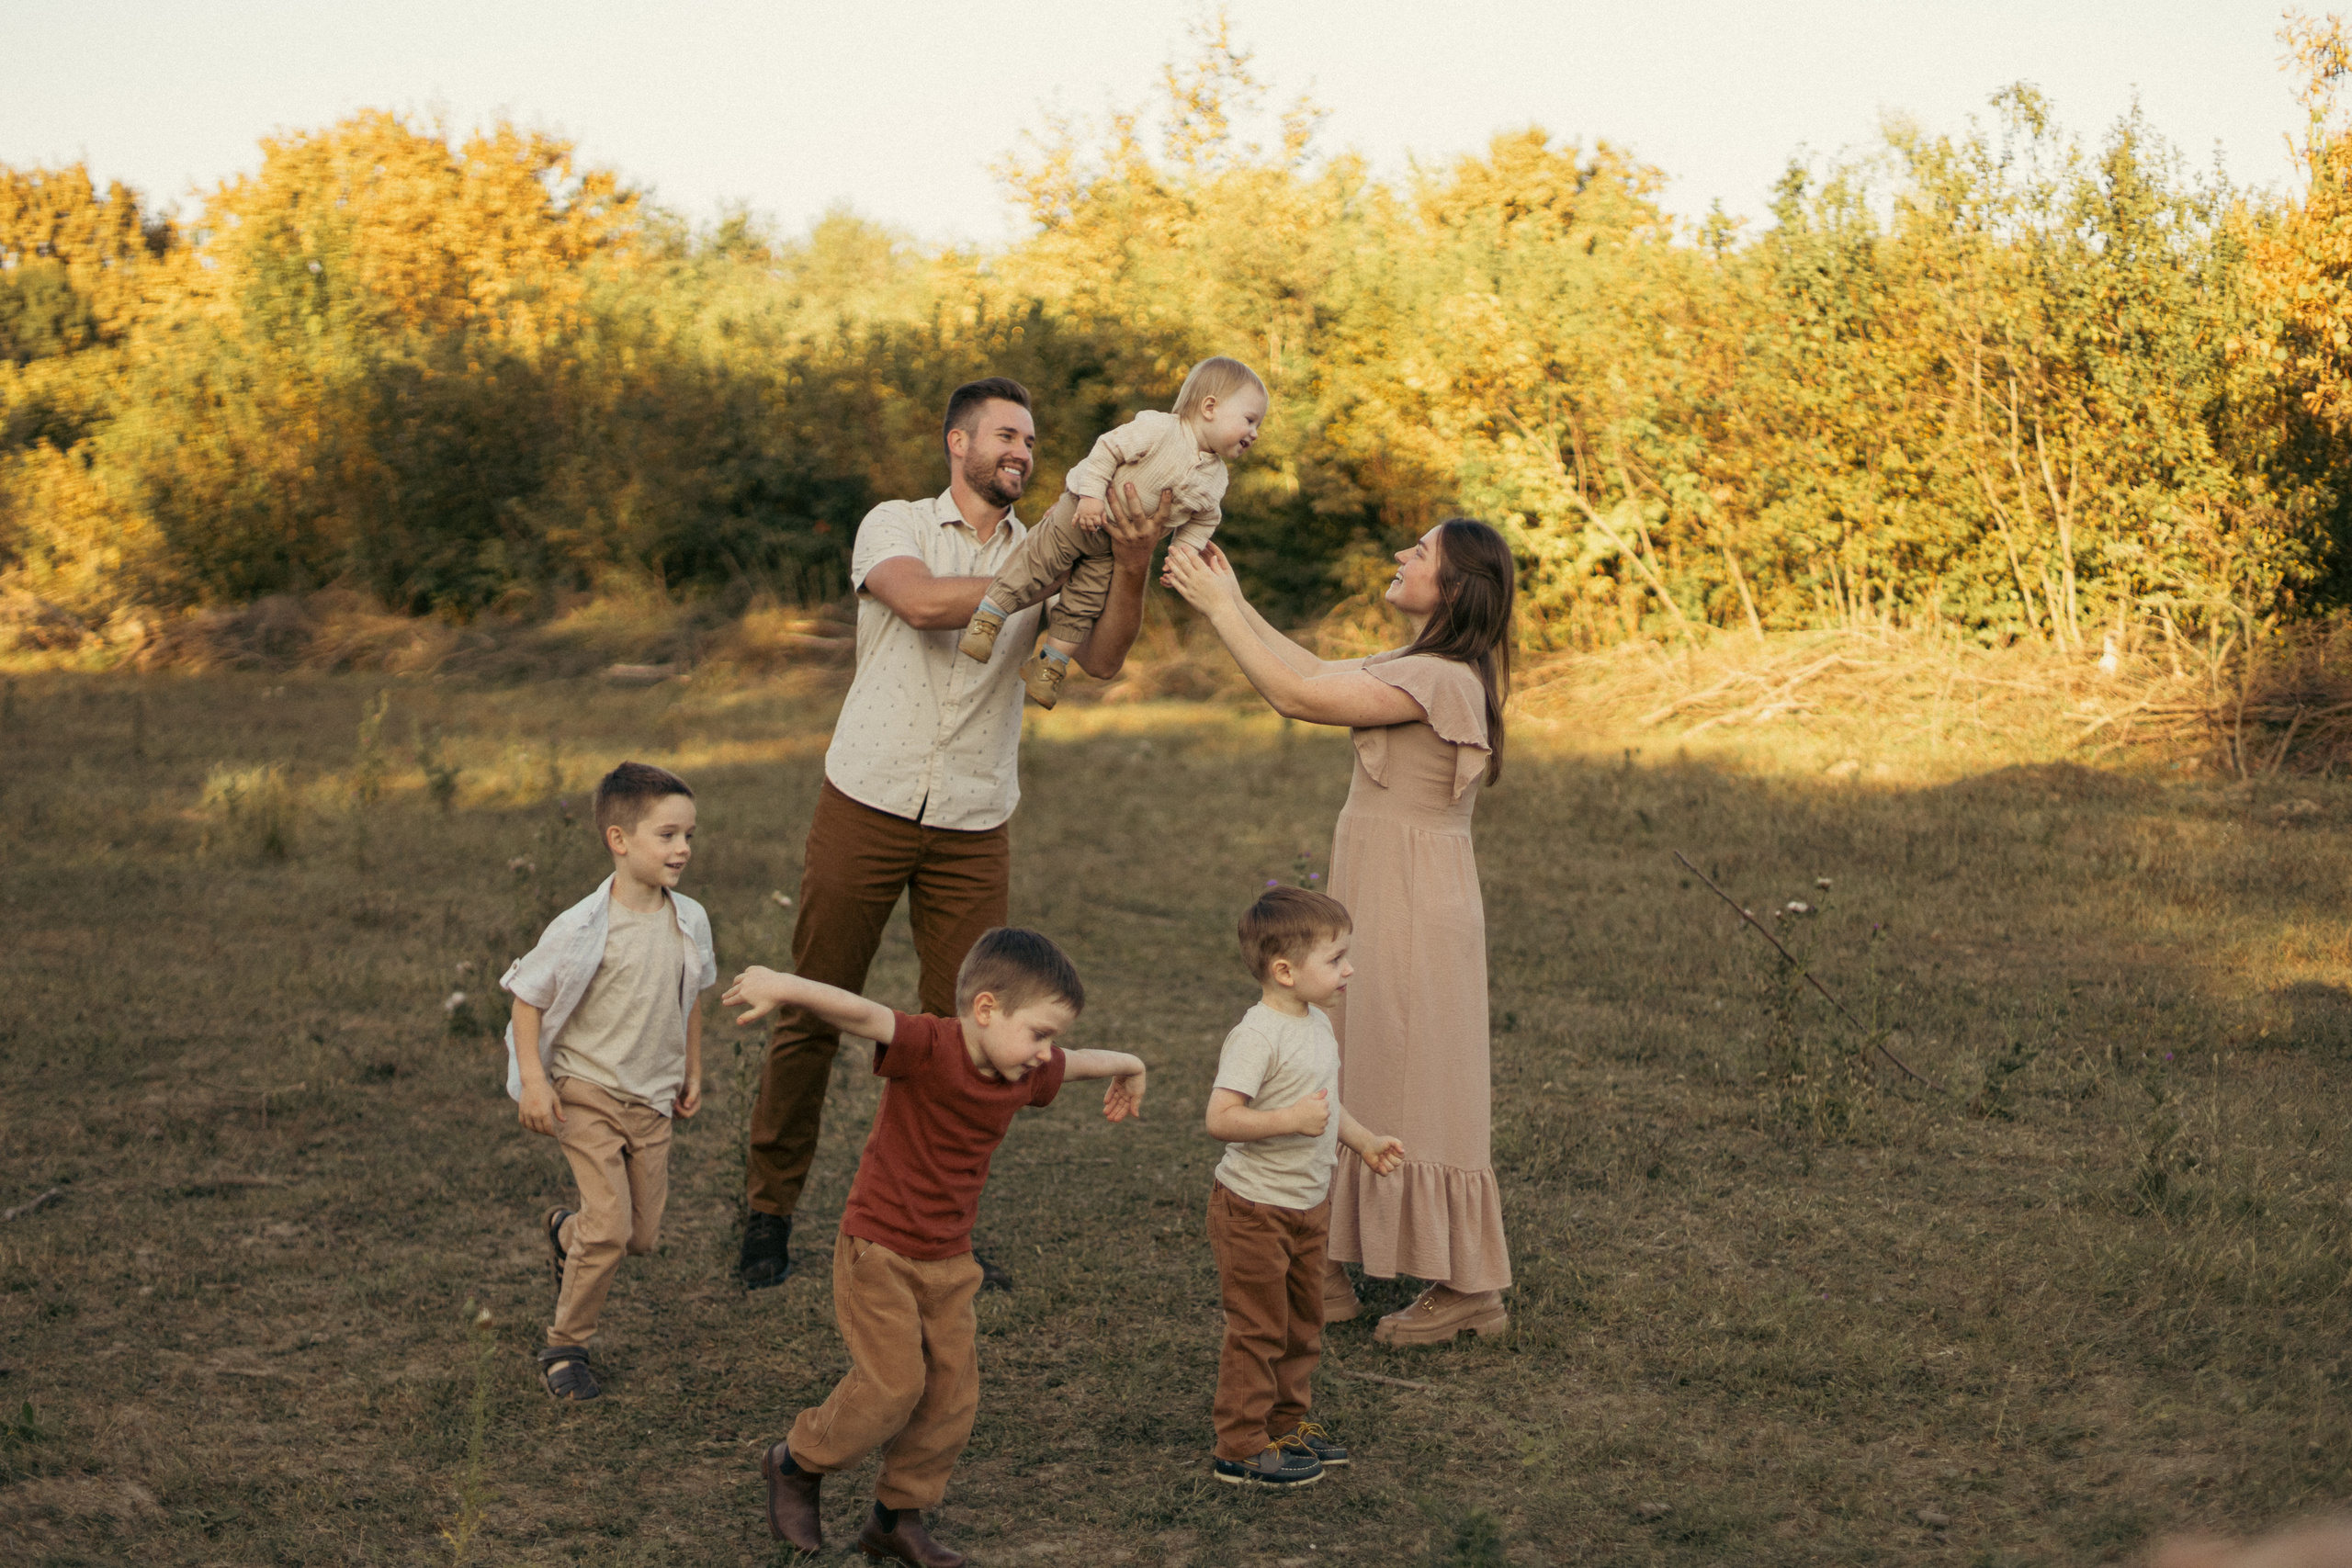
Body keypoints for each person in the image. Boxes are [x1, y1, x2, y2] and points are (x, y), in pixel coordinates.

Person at [739, 376, 1170, 1293]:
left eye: (1031, 442)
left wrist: (1125, 567)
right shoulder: (893, 524)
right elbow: (927, 605)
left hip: (975, 818)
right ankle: (767, 1214)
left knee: (968, 1039)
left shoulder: (1051, 550)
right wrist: (1049, 573)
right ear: (957, 444)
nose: (1022, 452)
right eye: (1005, 436)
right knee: (813, 1010)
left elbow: (1101, 658)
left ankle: (936, 1230)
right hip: (867, 798)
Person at [1165, 514, 1518, 1348]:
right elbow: (1317, 668)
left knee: (1419, 1070)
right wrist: (1239, 601)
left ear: (1457, 587)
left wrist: (1217, 611)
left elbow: (1297, 697)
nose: (1403, 556)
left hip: (1417, 903)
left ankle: (1470, 1287)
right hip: (1380, 887)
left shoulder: (1449, 681)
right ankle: (1325, 1261)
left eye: (1421, 552)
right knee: (1353, 1051)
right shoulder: (1415, 665)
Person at [725, 929, 1147, 1565]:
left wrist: (1131, 1066)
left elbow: (1081, 1059)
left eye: (1050, 1038)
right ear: (984, 1010)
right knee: (894, 1385)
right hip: (880, 1248)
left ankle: (895, 1517)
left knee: (951, 1392)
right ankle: (796, 1461)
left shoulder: (1022, 1070)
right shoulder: (928, 1045)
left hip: (949, 1259)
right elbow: (859, 1011)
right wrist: (781, 985)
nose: (1045, 1052)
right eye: (1039, 1033)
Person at [500, 761, 718, 1401]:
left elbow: (695, 994)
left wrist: (693, 1067)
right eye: (668, 835)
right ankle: (565, 1346)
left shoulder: (691, 919)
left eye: (689, 835)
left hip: (651, 1097)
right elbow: (525, 998)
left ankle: (568, 1233)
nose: (683, 848)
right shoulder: (579, 928)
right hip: (585, 1090)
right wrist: (537, 1082)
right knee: (612, 1226)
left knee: (639, 1236)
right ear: (619, 840)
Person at [1205, 887, 1404, 1488]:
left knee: (1302, 1324)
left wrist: (1364, 1140)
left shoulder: (1316, 1023)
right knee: (1259, 1327)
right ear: (1285, 971)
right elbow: (1220, 1117)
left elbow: (1326, 1104)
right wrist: (1287, 1121)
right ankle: (1239, 1446)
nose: (1349, 969)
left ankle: (1286, 1425)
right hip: (1253, 1211)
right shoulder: (1258, 1034)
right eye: (1336, 958)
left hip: (1306, 1206)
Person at [956, 356, 1266, 709]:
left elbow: (1203, 521)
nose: (1255, 433)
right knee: (1037, 562)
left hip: (1113, 549)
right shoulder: (1160, 429)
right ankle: (988, 618)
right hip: (1081, 513)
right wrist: (1090, 498)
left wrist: (1180, 556)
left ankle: (1050, 666)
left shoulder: (1216, 479)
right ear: (1210, 407)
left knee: (1084, 601)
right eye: (1250, 420)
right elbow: (1108, 449)